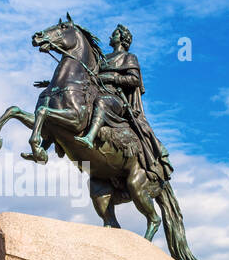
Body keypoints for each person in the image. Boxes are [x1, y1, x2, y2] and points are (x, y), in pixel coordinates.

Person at [74, 25, 174, 183]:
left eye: (114, 34)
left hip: (116, 99)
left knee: (101, 102)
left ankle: (89, 137)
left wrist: (112, 78)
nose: (110, 37)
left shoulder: (129, 57)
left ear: (122, 38)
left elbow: (134, 80)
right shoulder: (103, 58)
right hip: (98, 93)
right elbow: (89, 77)